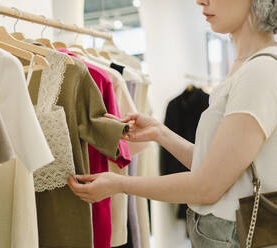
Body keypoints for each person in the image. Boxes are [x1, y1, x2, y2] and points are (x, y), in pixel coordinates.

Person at [67, 0, 277, 247]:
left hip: (236, 236)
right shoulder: (247, 68)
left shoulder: (260, 72)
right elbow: (213, 166)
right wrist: (160, 133)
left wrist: (120, 184)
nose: (201, 1)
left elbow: (207, 186)